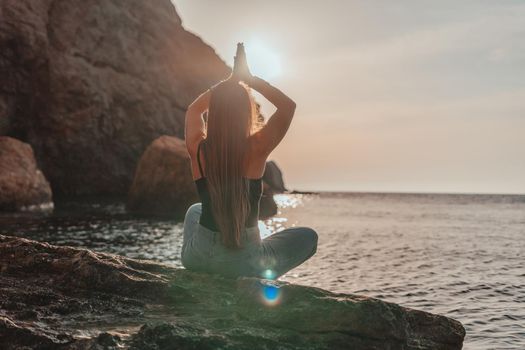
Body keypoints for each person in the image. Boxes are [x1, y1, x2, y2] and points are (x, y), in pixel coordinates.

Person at [181, 42, 317, 279]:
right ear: (246, 112)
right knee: (308, 237)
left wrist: (227, 84)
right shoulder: (256, 149)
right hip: (242, 262)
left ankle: (212, 264)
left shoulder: (198, 149)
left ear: (215, 111)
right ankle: (254, 272)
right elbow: (288, 107)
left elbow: (194, 110)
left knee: (195, 210)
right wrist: (247, 79)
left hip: (198, 258)